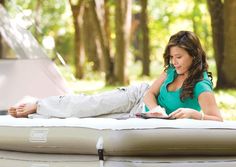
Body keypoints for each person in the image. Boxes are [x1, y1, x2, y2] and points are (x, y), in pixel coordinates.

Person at [8, 30, 223, 121]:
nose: (174, 62)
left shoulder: (201, 86)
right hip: (139, 98)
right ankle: (38, 103)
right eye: (171, 57)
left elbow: (217, 119)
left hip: (145, 117)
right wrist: (156, 107)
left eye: (179, 57)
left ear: (194, 56)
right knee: (91, 105)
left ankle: (34, 114)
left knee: (91, 119)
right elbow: (150, 92)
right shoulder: (171, 71)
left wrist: (193, 114)